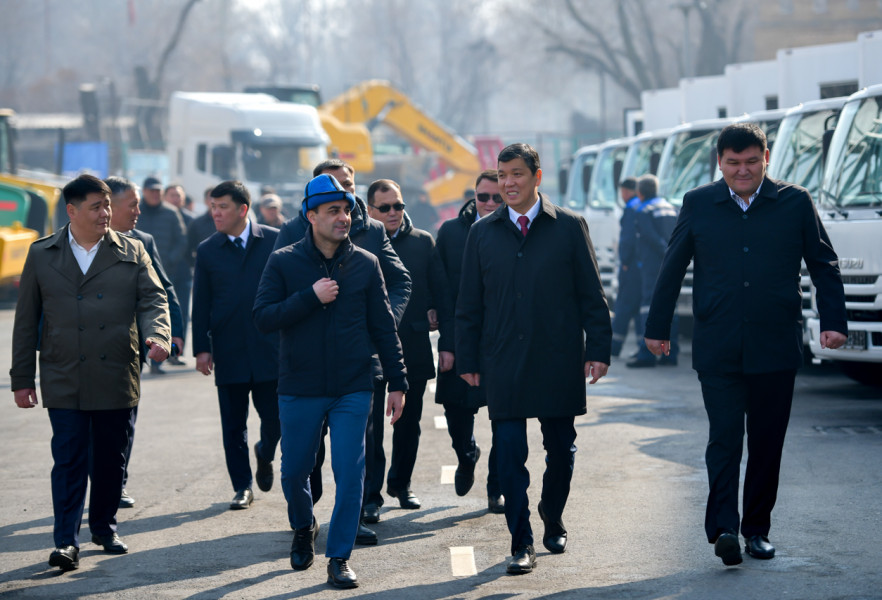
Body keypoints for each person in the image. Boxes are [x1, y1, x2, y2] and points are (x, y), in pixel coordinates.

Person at [643, 122, 847, 567]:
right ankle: (724, 529)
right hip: (718, 344)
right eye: (733, 162)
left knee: (767, 442)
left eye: (752, 161)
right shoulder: (699, 203)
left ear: (766, 158)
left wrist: (834, 321)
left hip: (775, 344)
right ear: (719, 161)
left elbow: (823, 263)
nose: (743, 170)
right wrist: (657, 327)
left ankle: (757, 530)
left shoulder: (795, 202)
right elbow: (672, 266)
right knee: (725, 438)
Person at [456, 143, 612, 575]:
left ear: (537, 177)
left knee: (561, 449)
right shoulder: (482, 233)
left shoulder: (569, 227)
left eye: (517, 174)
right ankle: (520, 541)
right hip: (503, 359)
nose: (508, 183)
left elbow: (592, 295)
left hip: (557, 357)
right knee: (509, 454)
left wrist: (598, 350)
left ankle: (552, 513)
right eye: (502, 175)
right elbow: (468, 304)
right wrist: (468, 358)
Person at [253, 173, 407, 589]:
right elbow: (263, 317)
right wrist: (310, 297)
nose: (343, 217)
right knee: (294, 472)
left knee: (350, 473)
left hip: (353, 385)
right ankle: (304, 525)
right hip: (299, 385)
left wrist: (398, 381)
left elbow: (384, 328)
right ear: (312, 215)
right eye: (333, 210)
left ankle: (339, 557)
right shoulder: (283, 260)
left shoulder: (366, 263)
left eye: (347, 210)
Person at [11, 174, 171, 572]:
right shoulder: (42, 254)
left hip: (116, 370)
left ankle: (103, 527)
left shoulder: (131, 250)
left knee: (110, 459)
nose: (106, 213)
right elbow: (26, 320)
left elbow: (154, 299)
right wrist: (22, 379)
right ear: (72, 210)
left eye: (108, 205)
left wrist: (158, 334)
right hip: (64, 372)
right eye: (96, 207)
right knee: (68, 459)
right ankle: (66, 541)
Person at [364, 179, 453, 519]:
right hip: (371, 347)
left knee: (408, 422)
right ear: (370, 209)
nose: (393, 212)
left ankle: (401, 484)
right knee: (371, 425)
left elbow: (437, 288)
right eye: (385, 207)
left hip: (412, 342)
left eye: (398, 205)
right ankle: (371, 495)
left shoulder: (422, 241)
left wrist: (434, 311)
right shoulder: (360, 241)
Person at [191, 180, 282, 510]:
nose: (215, 213)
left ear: (243, 209)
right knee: (233, 425)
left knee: (276, 419)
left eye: (223, 207)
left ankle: (265, 451)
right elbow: (201, 303)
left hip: (270, 347)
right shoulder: (207, 250)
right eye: (212, 207)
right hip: (228, 349)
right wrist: (201, 348)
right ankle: (242, 486)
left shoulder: (274, 240)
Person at [105, 176, 185, 509]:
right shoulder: (76, 244)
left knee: (125, 420)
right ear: (109, 206)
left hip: (130, 348)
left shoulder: (143, 242)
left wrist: (172, 331)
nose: (138, 211)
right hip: (83, 350)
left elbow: (162, 289)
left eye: (139, 204)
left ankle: (116, 483)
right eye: (133, 205)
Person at [434, 169, 504, 513]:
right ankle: (466, 454)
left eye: (497, 197)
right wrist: (447, 344)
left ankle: (497, 487)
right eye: (483, 197)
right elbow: (442, 290)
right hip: (462, 337)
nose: (489, 203)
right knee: (457, 412)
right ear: (473, 197)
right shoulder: (450, 232)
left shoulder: (517, 231)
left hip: (503, 340)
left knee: (506, 418)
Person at [627, 174, 680, 368]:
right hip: (672, 263)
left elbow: (649, 237)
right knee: (670, 305)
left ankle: (646, 355)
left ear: (640, 193)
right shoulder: (670, 207)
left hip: (652, 265)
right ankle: (670, 354)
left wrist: (664, 253)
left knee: (648, 307)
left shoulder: (643, 210)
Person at [137, 176, 187, 373]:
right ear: (144, 191)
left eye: (158, 190)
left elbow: (182, 240)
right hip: (138, 272)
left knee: (163, 314)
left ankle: (159, 360)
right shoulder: (135, 211)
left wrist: (171, 260)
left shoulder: (171, 212)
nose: (155, 194)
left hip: (165, 271)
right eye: (151, 190)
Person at [610, 177, 642, 358]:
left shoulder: (630, 208)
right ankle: (642, 347)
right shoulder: (643, 204)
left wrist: (624, 262)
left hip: (631, 267)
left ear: (625, 191)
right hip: (644, 266)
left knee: (623, 305)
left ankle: (614, 346)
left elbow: (627, 239)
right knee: (639, 308)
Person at [162, 183, 193, 366]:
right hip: (164, 271)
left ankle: (175, 352)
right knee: (162, 313)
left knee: (181, 314)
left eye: (178, 195)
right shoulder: (160, 216)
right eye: (172, 195)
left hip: (183, 273)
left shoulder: (191, 220)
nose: (176, 199)